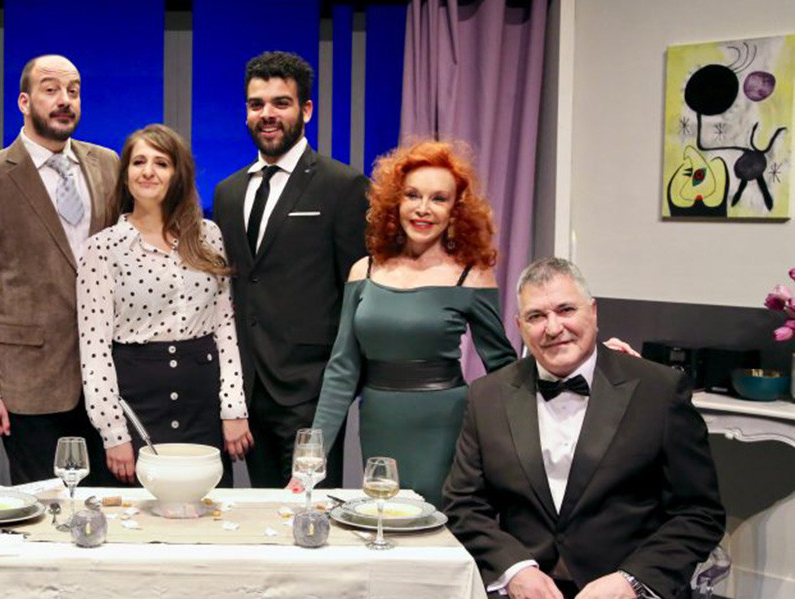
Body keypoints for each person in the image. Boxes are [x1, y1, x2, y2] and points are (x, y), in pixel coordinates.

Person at [444, 257, 726, 599]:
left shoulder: (659, 390)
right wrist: (516, 570)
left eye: (565, 310)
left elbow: (699, 513)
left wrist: (630, 580)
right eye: (537, 316)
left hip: (629, 583)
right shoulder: (487, 395)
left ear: (593, 312)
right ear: (520, 326)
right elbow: (463, 504)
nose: (553, 327)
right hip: (529, 582)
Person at [310, 140, 517, 505]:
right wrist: (314, 453)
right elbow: (342, 369)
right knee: (384, 518)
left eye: (439, 199)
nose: (423, 209)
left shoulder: (471, 276)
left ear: (456, 210)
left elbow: (503, 367)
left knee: (438, 523)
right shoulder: (365, 271)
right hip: (378, 419)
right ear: (396, 202)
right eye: (412, 195)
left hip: (445, 423)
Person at [0, 54, 120, 485]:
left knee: (110, 510)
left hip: (106, 382)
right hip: (27, 384)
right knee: (46, 510)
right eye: (51, 90)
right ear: (24, 102)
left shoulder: (108, 165)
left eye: (73, 91)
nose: (65, 100)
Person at [213, 50, 368, 488]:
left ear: (306, 110)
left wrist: (344, 384)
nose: (267, 114)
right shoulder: (227, 192)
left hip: (311, 393)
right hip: (247, 393)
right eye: (256, 104)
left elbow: (358, 296)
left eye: (281, 103)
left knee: (311, 515)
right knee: (261, 515)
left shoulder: (343, 186)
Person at [77, 124, 252, 483]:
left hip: (203, 404)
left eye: (161, 163)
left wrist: (234, 408)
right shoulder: (102, 248)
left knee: (207, 509)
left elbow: (225, 329)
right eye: (138, 162)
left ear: (178, 174)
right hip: (136, 405)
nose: (148, 171)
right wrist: (113, 433)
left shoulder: (208, 236)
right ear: (125, 174)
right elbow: (94, 352)